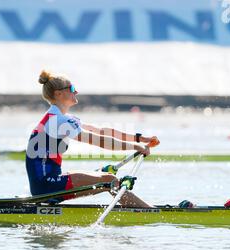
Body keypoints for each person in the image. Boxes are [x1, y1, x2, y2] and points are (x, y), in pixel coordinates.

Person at [26, 70, 160, 208]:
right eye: (71, 88)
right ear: (58, 93)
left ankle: (143, 209)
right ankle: (148, 212)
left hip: (50, 181)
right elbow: (99, 140)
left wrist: (140, 139)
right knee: (110, 180)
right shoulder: (59, 120)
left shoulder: (62, 118)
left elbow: (102, 131)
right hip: (47, 185)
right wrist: (135, 147)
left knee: (106, 176)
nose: (76, 91)